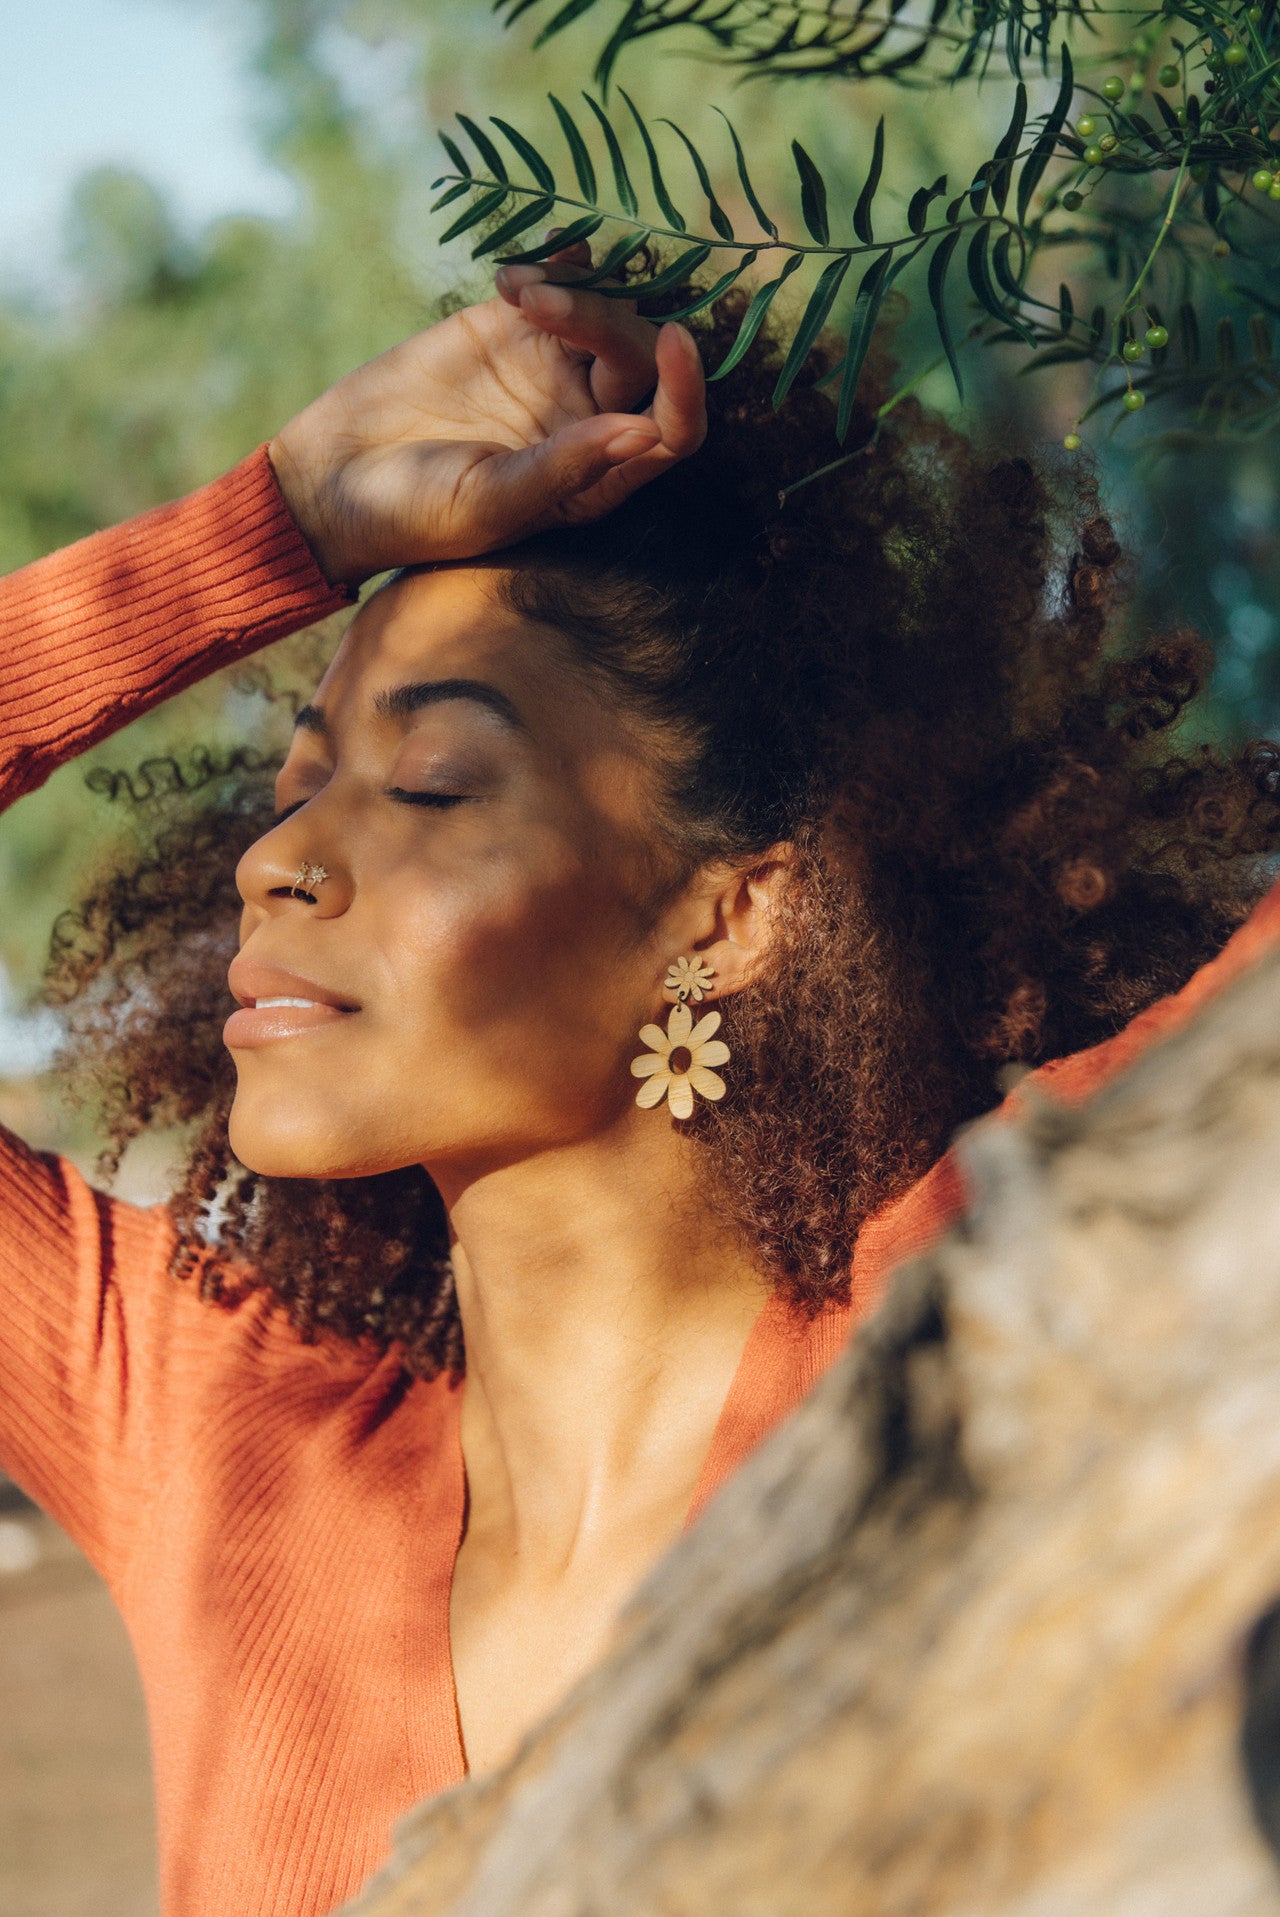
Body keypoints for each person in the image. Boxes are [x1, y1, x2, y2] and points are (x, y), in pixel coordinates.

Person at [2, 244, 1278, 1917]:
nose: (282, 858)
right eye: (302, 783)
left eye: (436, 783)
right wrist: (281, 523)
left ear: (734, 910)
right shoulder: (214, 1440)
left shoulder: (1012, 1299)